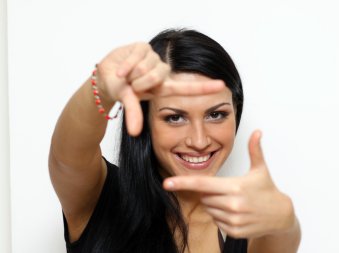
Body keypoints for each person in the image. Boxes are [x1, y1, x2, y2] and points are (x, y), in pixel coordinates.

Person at [49, 28, 301, 253]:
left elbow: (282, 236)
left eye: (216, 114)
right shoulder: (102, 199)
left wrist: (287, 219)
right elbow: (66, 158)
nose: (199, 140)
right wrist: (101, 88)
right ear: (146, 121)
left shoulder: (245, 228)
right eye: (175, 118)